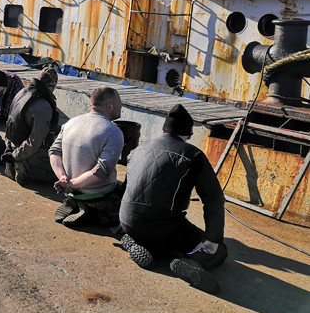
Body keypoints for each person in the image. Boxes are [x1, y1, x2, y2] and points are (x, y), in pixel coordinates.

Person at [119, 104, 227, 294]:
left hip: (127, 222)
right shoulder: (193, 154)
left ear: (163, 130)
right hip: (164, 227)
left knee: (157, 232)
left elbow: (126, 188)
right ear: (188, 135)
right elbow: (214, 199)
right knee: (220, 250)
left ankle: (139, 243)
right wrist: (213, 238)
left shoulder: (139, 148)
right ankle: (187, 260)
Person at [49, 86, 124, 227]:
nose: (121, 107)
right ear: (109, 106)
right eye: (119, 103)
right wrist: (71, 184)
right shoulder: (113, 132)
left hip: (70, 191)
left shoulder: (70, 123)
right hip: (97, 196)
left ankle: (75, 203)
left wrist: (63, 178)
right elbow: (101, 171)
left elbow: (54, 152)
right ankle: (93, 214)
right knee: (127, 202)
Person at [2, 66, 60, 186]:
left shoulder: (22, 92)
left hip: (12, 144)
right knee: (62, 166)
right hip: (24, 151)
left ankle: (17, 161)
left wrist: (9, 149)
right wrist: (15, 156)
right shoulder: (43, 106)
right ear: (53, 87)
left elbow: (10, 121)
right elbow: (34, 141)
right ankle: (24, 166)